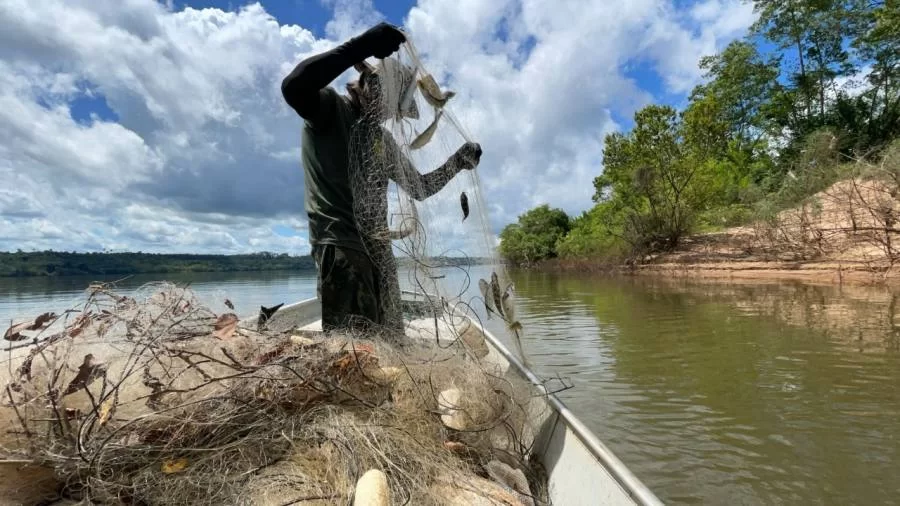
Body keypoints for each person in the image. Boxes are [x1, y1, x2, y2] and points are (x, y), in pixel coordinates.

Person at [281, 22, 482, 335]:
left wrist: (457, 162)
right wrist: (359, 46)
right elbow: (294, 87)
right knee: (354, 345)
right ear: (369, 85)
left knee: (392, 338)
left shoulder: (382, 138)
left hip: (379, 248)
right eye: (386, 101)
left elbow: (419, 187)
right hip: (342, 243)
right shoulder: (329, 109)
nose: (387, 113)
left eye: (393, 109)